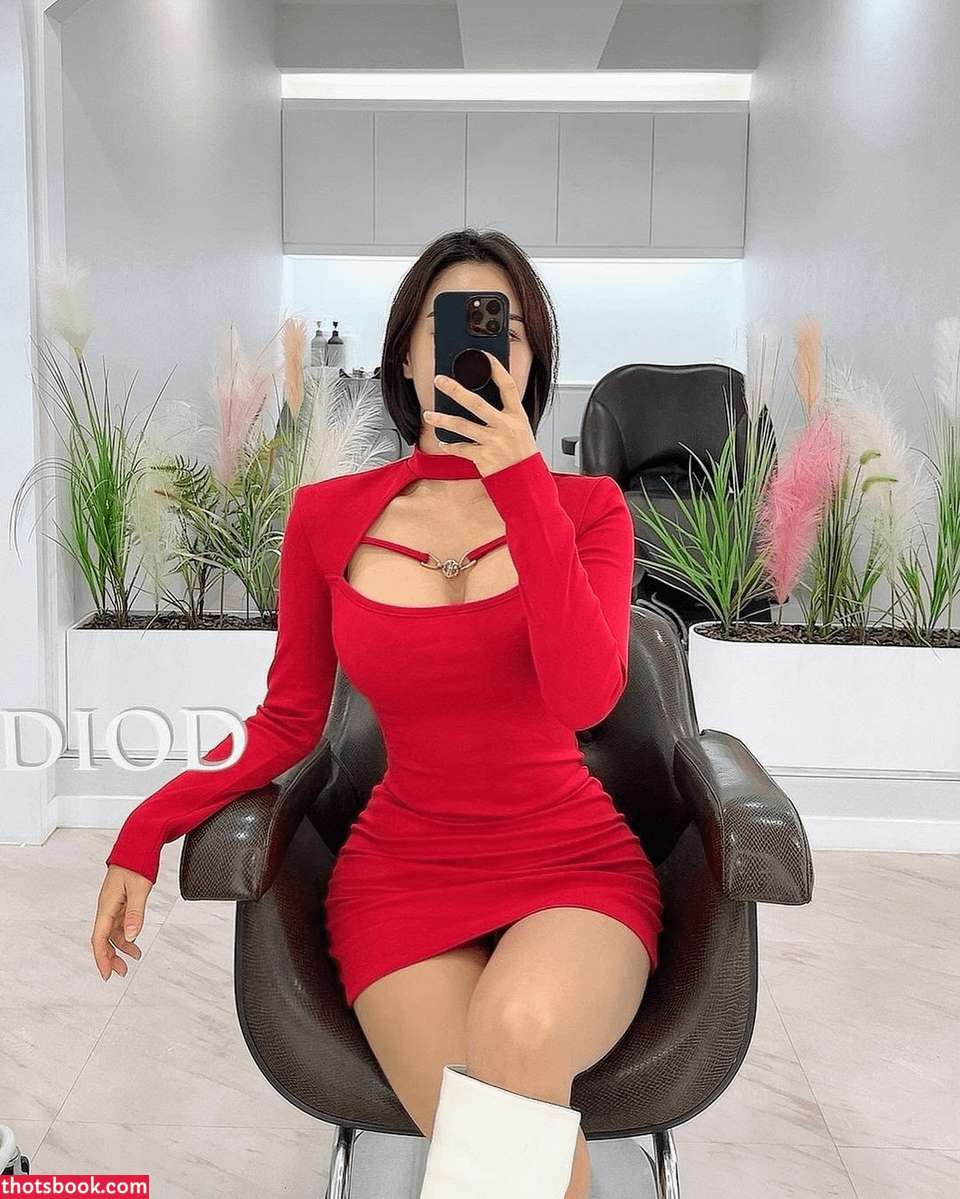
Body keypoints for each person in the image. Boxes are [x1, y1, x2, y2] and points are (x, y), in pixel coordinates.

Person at [91, 228, 663, 1199]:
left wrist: (520, 481)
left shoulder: (588, 508)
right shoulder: (326, 516)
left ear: (533, 362)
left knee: (517, 1031)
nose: (481, 347)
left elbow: (587, 696)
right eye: (454, 323)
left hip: (570, 863)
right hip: (403, 877)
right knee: (490, 1154)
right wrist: (148, 824)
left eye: (506, 329)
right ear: (405, 353)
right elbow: (286, 721)